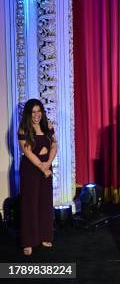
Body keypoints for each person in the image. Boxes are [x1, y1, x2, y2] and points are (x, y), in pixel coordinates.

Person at [18, 98, 57, 256]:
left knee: (44, 203)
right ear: (28, 113)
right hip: (31, 170)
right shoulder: (24, 129)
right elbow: (27, 152)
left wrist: (48, 163)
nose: (36, 115)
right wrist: (42, 168)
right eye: (33, 112)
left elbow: (54, 145)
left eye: (39, 111)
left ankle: (45, 236)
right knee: (30, 204)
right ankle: (29, 241)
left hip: (46, 167)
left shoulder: (48, 126)